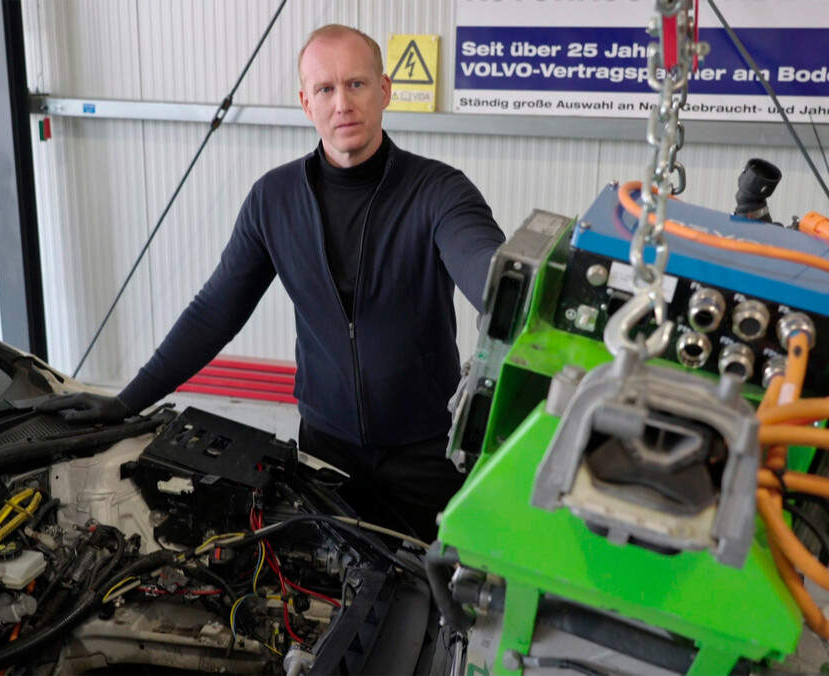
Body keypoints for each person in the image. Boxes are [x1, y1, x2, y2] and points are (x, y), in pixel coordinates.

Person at [40, 24, 505, 542]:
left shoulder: (438, 192)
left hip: (426, 455)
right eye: (325, 89)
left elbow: (486, 269)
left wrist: (511, 297)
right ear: (306, 103)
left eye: (356, 84)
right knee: (327, 582)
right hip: (326, 456)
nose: (342, 103)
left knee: (437, 585)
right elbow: (214, 312)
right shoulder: (274, 200)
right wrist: (127, 401)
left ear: (385, 90)